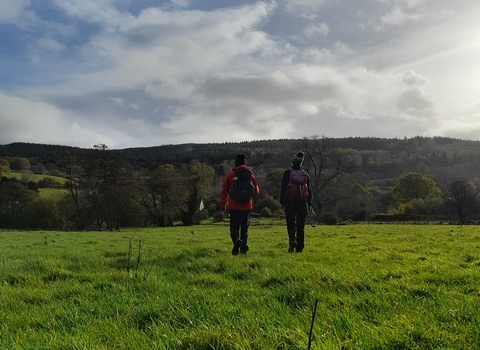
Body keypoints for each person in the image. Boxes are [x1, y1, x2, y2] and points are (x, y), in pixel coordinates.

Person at [220, 154, 260, 255]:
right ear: (245, 163)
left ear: (236, 163)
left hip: (234, 206)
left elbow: (224, 191)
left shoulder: (231, 175)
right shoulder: (250, 175)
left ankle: (236, 241)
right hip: (247, 206)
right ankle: (243, 250)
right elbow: (256, 191)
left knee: (234, 228)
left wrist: (223, 205)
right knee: (244, 229)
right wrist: (249, 198)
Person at [280, 151, 313, 253]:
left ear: (292, 162)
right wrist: (310, 202)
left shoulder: (287, 173)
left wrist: (282, 202)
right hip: (302, 202)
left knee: (290, 223)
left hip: (290, 202)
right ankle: (300, 248)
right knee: (300, 225)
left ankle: (292, 241)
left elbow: (283, 188)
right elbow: (310, 190)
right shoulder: (305, 174)